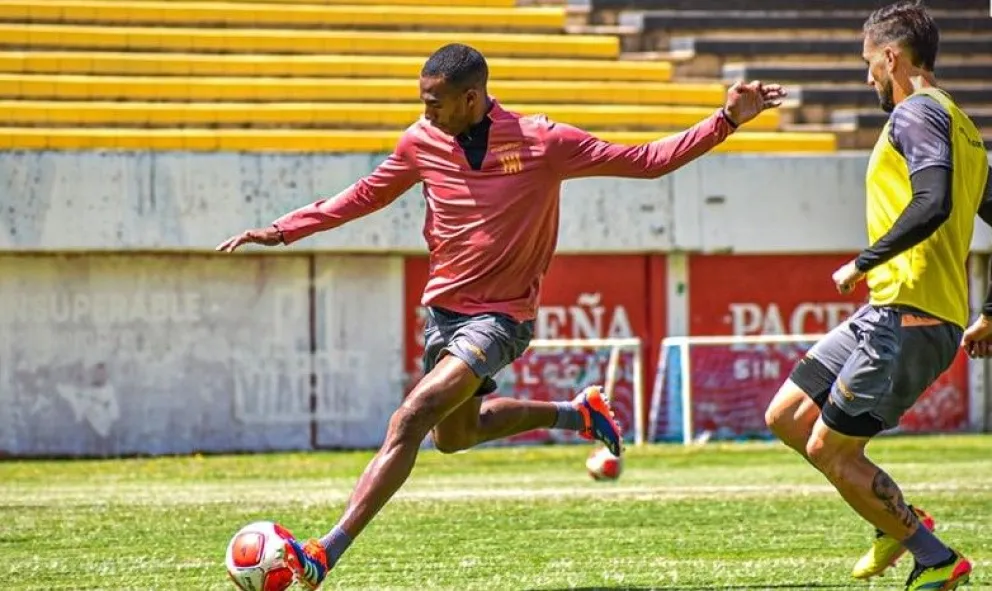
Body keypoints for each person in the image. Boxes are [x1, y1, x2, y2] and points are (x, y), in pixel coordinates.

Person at [218, 42, 784, 589]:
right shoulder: (420, 141)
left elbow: (645, 162)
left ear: (471, 98)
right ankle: (576, 414)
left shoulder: (542, 141)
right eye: (423, 101)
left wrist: (725, 121)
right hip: (443, 315)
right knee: (455, 435)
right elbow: (365, 194)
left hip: (501, 318)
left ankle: (323, 553)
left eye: (434, 102)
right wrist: (286, 229)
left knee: (409, 418)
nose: (425, 111)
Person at [764, 2, 988, 589]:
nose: (868, 78)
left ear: (892, 56)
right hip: (891, 312)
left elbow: (932, 200)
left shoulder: (915, 114)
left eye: (869, 64)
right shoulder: (963, 127)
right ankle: (892, 520)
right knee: (786, 416)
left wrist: (863, 261)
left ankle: (935, 558)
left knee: (832, 451)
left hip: (907, 315)